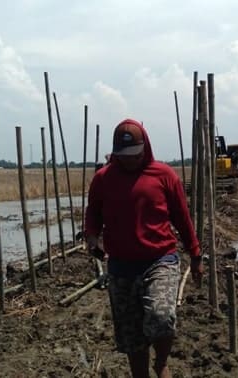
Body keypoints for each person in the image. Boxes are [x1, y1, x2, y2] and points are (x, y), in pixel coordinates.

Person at [83, 118, 203, 378]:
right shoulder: (103, 179)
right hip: (121, 267)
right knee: (132, 337)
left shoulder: (164, 175)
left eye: (135, 155)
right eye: (123, 156)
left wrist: (195, 255)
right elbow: (93, 214)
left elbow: (182, 219)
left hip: (160, 260)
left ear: (145, 147)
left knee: (161, 318)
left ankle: (161, 362)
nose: (129, 160)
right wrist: (92, 238)